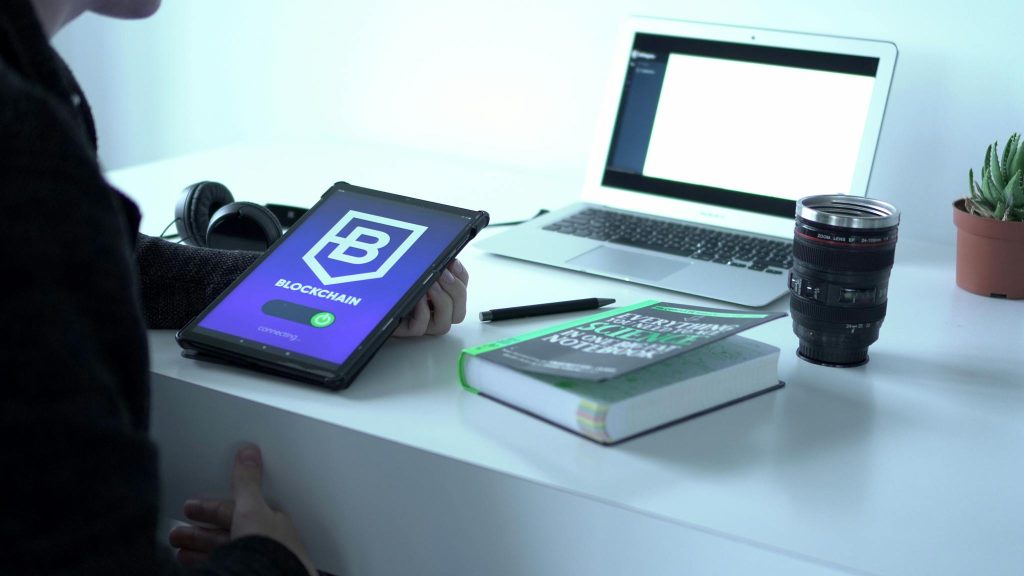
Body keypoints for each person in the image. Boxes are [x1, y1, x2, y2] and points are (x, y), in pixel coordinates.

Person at [0, 1, 471, 574]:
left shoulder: (31, 96)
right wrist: (273, 562)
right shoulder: (26, 158)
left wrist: (315, 294)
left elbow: (117, 264)